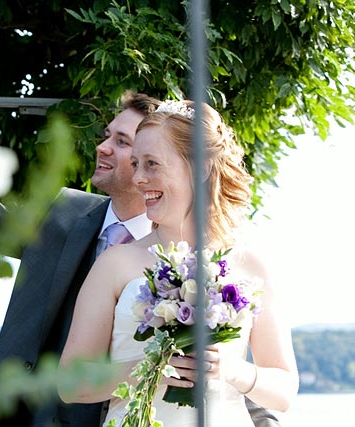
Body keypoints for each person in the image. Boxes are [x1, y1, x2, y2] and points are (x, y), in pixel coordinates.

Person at [0, 52, 285, 427]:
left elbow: (233, 370)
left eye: (124, 143)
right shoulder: (66, 218)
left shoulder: (237, 262)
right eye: (117, 142)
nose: (104, 148)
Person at [58, 100, 299, 427]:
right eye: (136, 164)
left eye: (152, 164)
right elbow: (70, 385)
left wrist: (233, 371)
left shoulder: (250, 265)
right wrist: (152, 367)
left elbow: (284, 390)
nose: (138, 178)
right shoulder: (114, 264)